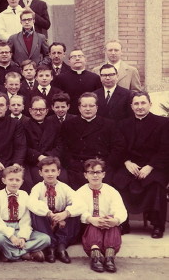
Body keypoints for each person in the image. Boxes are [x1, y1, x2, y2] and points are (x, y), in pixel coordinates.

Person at [114, 92, 169, 239]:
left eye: (143, 103)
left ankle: (158, 225)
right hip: (130, 164)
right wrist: (127, 162)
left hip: (155, 165)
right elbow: (119, 147)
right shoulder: (122, 124)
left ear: (150, 104)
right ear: (131, 106)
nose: (140, 107)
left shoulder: (163, 123)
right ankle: (123, 222)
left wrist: (150, 166)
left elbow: (165, 149)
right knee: (118, 181)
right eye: (136, 104)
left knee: (156, 184)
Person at [0, 165, 50, 262]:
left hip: (20, 228)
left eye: (17, 180)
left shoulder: (24, 195)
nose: (14, 183)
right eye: (11, 179)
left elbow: (26, 219)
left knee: (45, 239)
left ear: (22, 182)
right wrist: (11, 236)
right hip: (3, 229)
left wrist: (23, 237)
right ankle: (27, 254)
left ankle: (12, 254)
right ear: (4, 181)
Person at [27, 157, 82, 264]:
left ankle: (61, 247)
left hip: (62, 223)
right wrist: (48, 213)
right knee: (35, 211)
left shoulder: (65, 188)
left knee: (75, 211)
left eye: (53, 170)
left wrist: (66, 213)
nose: (50, 174)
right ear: (40, 173)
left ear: (59, 172)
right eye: (46, 171)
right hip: (46, 223)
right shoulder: (37, 188)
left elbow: (80, 203)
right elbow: (31, 202)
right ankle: (51, 247)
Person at [60, 92, 121, 189]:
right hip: (77, 167)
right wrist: (72, 164)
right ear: (79, 108)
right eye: (84, 106)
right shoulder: (68, 125)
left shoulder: (109, 124)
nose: (87, 109)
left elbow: (117, 148)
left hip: (101, 166)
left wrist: (106, 165)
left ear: (97, 107)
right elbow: (64, 148)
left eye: (91, 106)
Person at [76, 159, 127, 273]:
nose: (95, 175)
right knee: (93, 227)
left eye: (98, 172)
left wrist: (115, 220)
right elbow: (78, 210)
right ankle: (96, 256)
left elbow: (120, 209)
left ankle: (110, 256)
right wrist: (91, 219)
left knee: (113, 226)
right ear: (85, 175)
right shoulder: (80, 192)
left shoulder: (111, 191)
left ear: (103, 174)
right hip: (90, 225)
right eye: (91, 172)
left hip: (108, 224)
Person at [23, 96, 65, 186]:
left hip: (52, 160)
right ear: (30, 110)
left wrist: (48, 158)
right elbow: (24, 147)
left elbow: (60, 146)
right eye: (35, 109)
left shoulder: (55, 125)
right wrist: (39, 156)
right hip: (34, 162)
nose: (38, 112)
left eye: (41, 109)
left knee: (63, 179)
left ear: (46, 111)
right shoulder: (24, 126)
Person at [53, 49, 101, 113]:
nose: (77, 59)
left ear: (85, 60)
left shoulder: (95, 77)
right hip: (69, 116)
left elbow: (99, 98)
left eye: (80, 56)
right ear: (69, 61)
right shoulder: (60, 78)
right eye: (74, 57)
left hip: (90, 114)